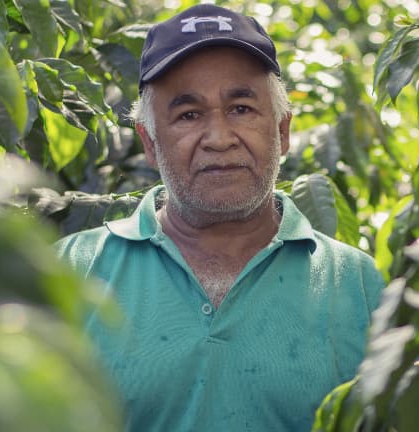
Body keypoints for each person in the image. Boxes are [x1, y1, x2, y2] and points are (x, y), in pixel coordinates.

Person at [56, 4, 384, 431]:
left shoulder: (359, 285)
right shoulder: (67, 276)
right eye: (188, 115)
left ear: (282, 131)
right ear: (150, 143)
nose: (219, 138)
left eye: (242, 109)